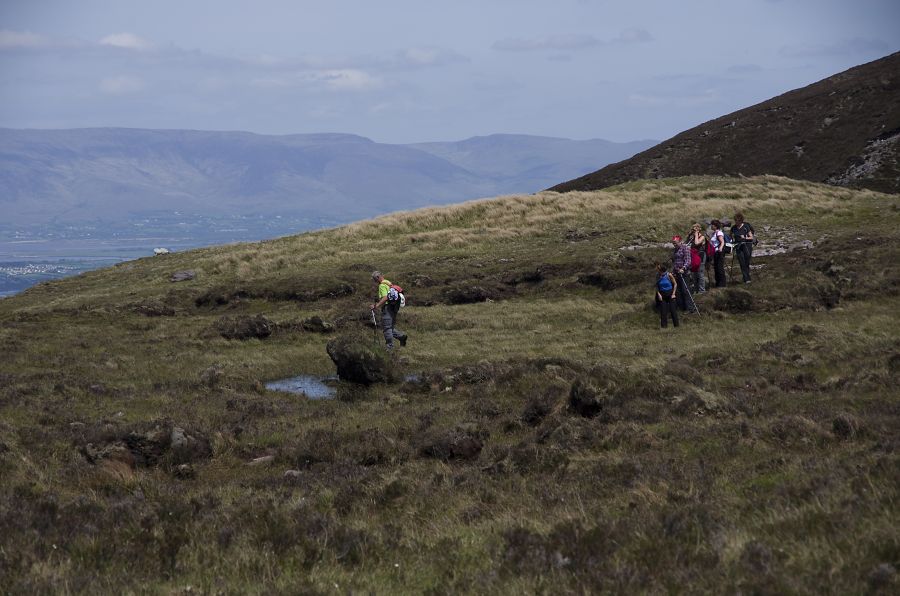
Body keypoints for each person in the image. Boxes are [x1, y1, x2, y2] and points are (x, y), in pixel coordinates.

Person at [370, 271, 408, 350]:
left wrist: (376, 305)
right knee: (390, 327)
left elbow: (385, 297)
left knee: (387, 328)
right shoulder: (389, 284)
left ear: (378, 278)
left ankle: (390, 347)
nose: (375, 282)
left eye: (374, 279)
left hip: (387, 308)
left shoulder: (382, 285)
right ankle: (402, 337)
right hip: (394, 308)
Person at [671, 235, 697, 313]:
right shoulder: (675, 249)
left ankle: (690, 308)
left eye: (675, 243)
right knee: (678, 290)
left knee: (686, 290)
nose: (674, 245)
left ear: (680, 242)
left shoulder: (685, 248)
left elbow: (688, 261)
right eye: (673, 243)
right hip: (676, 272)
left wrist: (683, 268)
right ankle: (682, 307)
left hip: (684, 272)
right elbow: (675, 261)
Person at [730, 212, 755, 283]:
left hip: (747, 245)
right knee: (742, 262)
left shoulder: (746, 227)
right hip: (738, 246)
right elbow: (730, 236)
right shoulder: (733, 228)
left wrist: (745, 237)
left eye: (738, 221)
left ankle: (746, 277)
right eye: (735, 220)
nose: (736, 222)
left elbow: (751, 237)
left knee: (746, 262)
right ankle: (747, 279)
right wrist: (732, 241)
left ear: (741, 220)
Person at [655, 263, 679, 328]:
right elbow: (656, 286)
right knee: (663, 311)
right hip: (662, 294)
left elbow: (675, 284)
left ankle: (676, 326)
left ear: (661, 270)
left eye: (658, 269)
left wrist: (673, 293)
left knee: (673, 310)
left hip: (670, 293)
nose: (657, 270)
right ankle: (664, 327)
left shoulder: (669, 275)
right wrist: (659, 295)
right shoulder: (658, 276)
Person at [688, 222, 708, 293]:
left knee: (700, 273)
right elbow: (686, 243)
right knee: (694, 273)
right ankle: (696, 290)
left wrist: (696, 235)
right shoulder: (692, 237)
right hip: (693, 256)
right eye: (693, 228)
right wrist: (689, 235)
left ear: (699, 229)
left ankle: (702, 290)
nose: (694, 230)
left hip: (701, 256)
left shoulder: (702, 237)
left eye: (696, 228)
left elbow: (696, 243)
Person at [709, 219, 727, 288]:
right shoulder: (714, 233)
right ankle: (718, 283)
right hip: (715, 252)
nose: (711, 226)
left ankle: (722, 284)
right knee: (716, 267)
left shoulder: (719, 233)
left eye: (712, 225)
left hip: (719, 252)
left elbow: (722, 242)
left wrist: (720, 248)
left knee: (720, 268)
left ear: (716, 226)